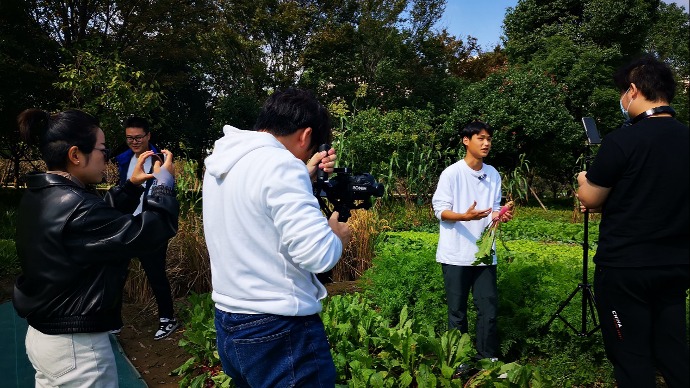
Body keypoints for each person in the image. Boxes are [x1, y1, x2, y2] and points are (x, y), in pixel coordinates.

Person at [12, 109, 179, 387]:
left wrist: (130, 187)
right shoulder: (78, 207)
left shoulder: (41, 195)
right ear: (76, 155)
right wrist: (163, 185)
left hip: (44, 339)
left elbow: (94, 223)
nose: (107, 156)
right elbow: (150, 232)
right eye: (102, 149)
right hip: (77, 350)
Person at [203, 88, 352, 387]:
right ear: (305, 135)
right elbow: (318, 256)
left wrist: (303, 174)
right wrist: (337, 236)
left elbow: (257, 208)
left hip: (230, 319)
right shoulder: (281, 165)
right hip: (279, 328)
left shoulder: (223, 161)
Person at [576, 55, 689, 388]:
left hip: (626, 268)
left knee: (631, 357)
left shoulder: (622, 140)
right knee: (672, 349)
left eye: (624, 91)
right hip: (677, 265)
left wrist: (584, 179)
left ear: (634, 90)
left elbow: (592, 199)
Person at [431, 121, 512, 375]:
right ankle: (459, 361)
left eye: (489, 138)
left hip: (485, 255)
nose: (486, 143)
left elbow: (495, 208)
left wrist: (501, 215)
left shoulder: (493, 174)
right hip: (456, 254)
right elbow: (439, 210)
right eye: (480, 138)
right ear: (466, 141)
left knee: (488, 309)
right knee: (457, 312)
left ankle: (488, 360)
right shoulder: (452, 173)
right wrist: (464, 217)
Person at [113, 116, 179, 340]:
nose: (133, 141)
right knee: (117, 273)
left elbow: (165, 190)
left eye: (138, 137)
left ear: (148, 135)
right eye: (129, 137)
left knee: (156, 274)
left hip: (150, 226)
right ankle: (113, 322)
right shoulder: (123, 159)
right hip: (127, 224)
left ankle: (168, 319)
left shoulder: (158, 159)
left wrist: (163, 173)